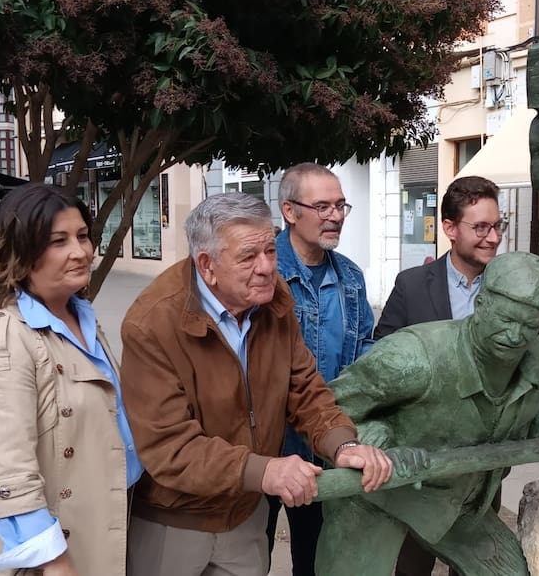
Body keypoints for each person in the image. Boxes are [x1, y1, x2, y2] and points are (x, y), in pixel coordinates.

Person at [375, 175, 539, 575]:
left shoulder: (518, 288)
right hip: (422, 468)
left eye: (498, 225)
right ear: (449, 228)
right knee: (410, 566)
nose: (493, 237)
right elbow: (383, 359)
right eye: (480, 227)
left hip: (484, 465)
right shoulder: (412, 286)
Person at [120, 192, 393, 576]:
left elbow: (305, 391)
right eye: (249, 256)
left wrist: (343, 444)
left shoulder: (272, 300)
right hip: (176, 521)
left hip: (246, 513)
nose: (266, 267)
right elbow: (169, 446)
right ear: (207, 265)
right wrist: (264, 471)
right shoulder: (152, 323)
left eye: (270, 249)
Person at [316, 252, 539, 576]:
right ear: (481, 306)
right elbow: (329, 411)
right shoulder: (412, 358)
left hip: (456, 502)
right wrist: (382, 444)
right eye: (506, 321)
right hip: (377, 493)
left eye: (530, 326)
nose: (515, 336)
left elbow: (520, 410)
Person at [0, 183, 142, 576]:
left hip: (105, 522)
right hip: (54, 549)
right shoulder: (2, 337)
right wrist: (54, 562)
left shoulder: (81, 316)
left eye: (83, 236)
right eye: (59, 241)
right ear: (21, 252)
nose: (81, 251)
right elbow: (9, 472)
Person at [266, 163, 376, 576]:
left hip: (327, 446)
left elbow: (364, 351)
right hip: (264, 445)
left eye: (341, 206)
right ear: (290, 212)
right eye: (323, 206)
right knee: (248, 556)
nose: (335, 216)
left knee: (315, 561)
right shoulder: (263, 272)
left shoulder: (350, 276)